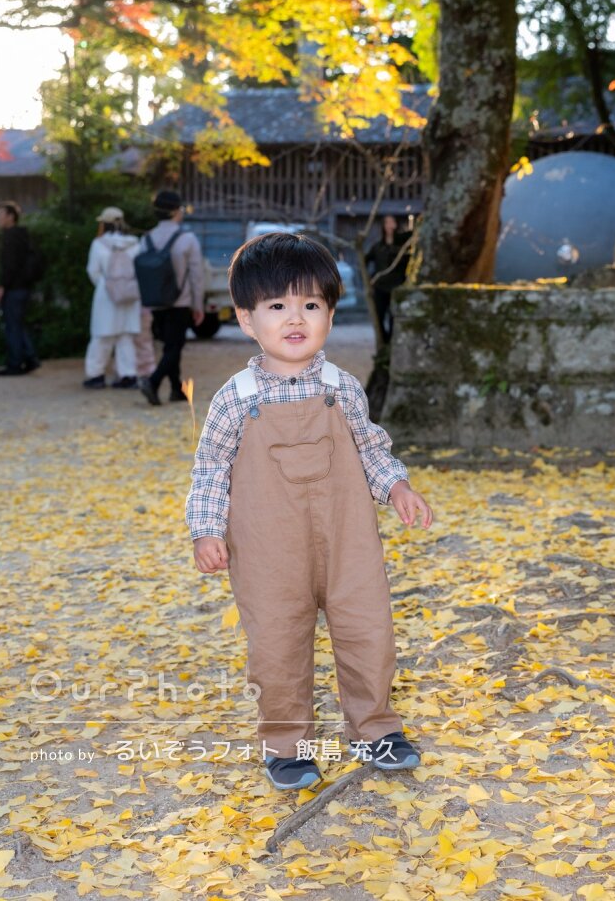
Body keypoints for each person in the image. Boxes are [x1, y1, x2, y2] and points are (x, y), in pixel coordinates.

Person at [186, 232, 433, 791]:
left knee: (368, 630)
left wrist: (397, 487)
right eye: (277, 306)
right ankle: (286, 745)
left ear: (329, 314)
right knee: (277, 643)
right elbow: (210, 469)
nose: (295, 318)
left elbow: (371, 449)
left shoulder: (341, 388)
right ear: (247, 319)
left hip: (348, 539)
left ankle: (375, 728)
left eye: (311, 305)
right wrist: (205, 531)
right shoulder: (235, 398)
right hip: (266, 547)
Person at [139, 189, 205, 406]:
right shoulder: (187, 239)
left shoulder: (146, 239)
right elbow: (196, 276)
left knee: (170, 346)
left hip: (155, 301)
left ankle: (177, 389)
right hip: (180, 302)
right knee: (174, 346)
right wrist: (198, 305)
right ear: (176, 211)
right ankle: (153, 382)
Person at [84, 207, 140, 389]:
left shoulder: (98, 244)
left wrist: (106, 285)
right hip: (130, 295)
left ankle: (96, 375)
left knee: (102, 337)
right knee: (126, 337)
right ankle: (128, 375)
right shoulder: (135, 244)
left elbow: (93, 271)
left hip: (106, 294)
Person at [0, 200, 41, 377]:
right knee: (17, 325)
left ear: (11, 217)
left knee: (13, 326)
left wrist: (2, 286)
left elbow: (11, 266)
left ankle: (15, 364)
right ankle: (30, 359)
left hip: (14, 288)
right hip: (22, 287)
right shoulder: (21, 235)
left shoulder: (11, 237)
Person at [365, 215, 412, 343]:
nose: (390, 225)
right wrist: (370, 278)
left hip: (397, 285)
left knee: (393, 317)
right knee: (378, 316)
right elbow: (365, 260)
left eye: (392, 222)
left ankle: (391, 342)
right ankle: (384, 341)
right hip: (380, 286)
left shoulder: (403, 248)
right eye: (387, 222)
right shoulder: (378, 247)